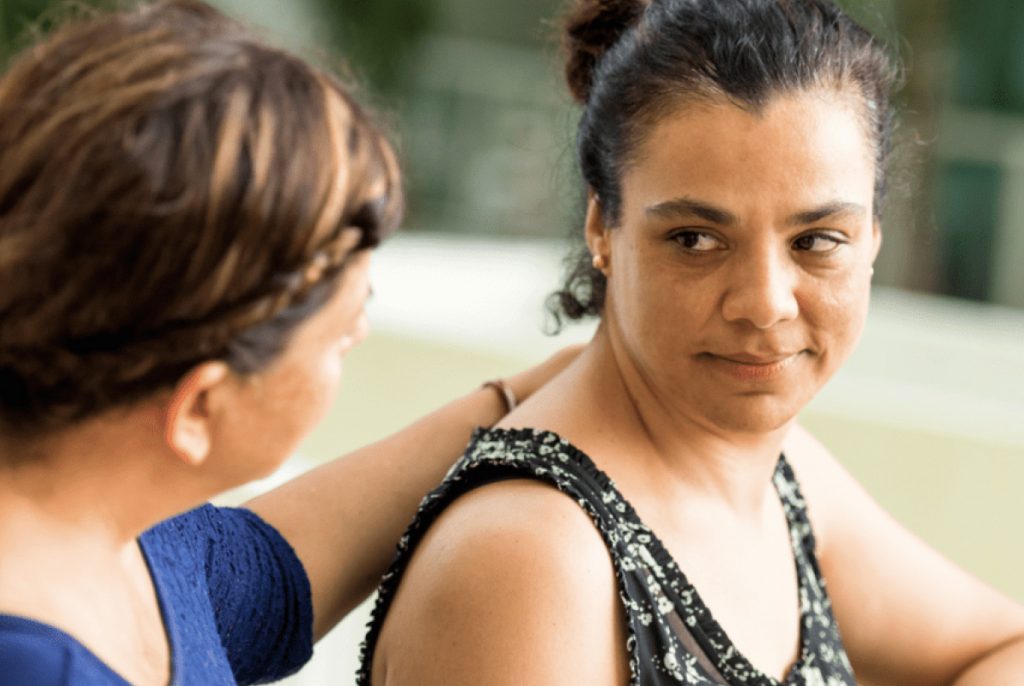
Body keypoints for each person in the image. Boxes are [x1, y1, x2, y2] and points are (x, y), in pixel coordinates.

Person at [359, 1, 1024, 684]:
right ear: (601, 227)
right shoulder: (530, 559)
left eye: (817, 241)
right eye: (696, 240)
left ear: (873, 240)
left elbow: (1003, 646)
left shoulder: (781, 477)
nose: (764, 304)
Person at [0, 1, 578, 684]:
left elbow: (256, 583)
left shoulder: (102, 523)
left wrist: (523, 397)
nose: (359, 334)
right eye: (338, 335)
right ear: (199, 408)